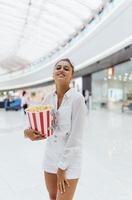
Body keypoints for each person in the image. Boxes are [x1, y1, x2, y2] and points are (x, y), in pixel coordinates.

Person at [24, 58, 86, 200]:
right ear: (53, 74)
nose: (61, 70)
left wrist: (62, 168)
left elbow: (76, 138)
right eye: (58, 67)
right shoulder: (48, 98)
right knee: (52, 197)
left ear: (72, 75)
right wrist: (27, 133)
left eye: (66, 68)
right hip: (50, 158)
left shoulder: (77, 99)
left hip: (69, 162)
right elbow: (37, 124)